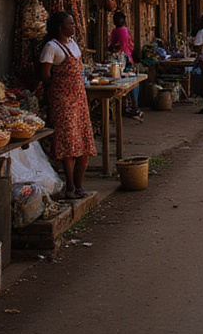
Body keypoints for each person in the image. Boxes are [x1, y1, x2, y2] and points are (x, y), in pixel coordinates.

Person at [39, 11, 96, 200]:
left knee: (83, 143)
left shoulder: (73, 44)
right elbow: (45, 75)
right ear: (60, 28)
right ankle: (70, 187)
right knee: (69, 144)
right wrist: (60, 87)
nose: (74, 26)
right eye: (70, 24)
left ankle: (79, 185)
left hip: (79, 100)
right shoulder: (51, 47)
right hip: (63, 101)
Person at [107, 11, 142, 122]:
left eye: (118, 19)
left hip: (124, 59)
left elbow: (120, 46)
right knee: (128, 82)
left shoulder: (122, 30)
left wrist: (113, 48)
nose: (116, 21)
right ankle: (129, 107)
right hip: (122, 58)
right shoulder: (117, 30)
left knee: (131, 82)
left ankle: (133, 107)